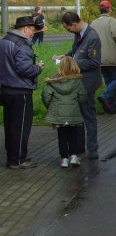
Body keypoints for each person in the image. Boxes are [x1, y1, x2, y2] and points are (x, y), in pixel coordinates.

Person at [0, 16, 44, 169]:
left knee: (10, 126)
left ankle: (12, 156)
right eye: (32, 30)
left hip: (5, 89)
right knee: (21, 127)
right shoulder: (22, 45)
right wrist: (38, 68)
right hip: (21, 91)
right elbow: (25, 69)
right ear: (25, 29)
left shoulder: (4, 41)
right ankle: (18, 159)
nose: (33, 33)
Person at [58, 11, 101, 160]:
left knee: (88, 114)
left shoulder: (92, 37)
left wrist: (72, 62)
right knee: (79, 115)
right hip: (78, 80)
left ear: (74, 24)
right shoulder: (78, 35)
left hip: (88, 82)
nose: (68, 31)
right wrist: (66, 56)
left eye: (68, 28)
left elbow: (94, 62)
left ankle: (92, 149)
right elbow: (76, 51)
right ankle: (79, 147)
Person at [42, 56, 85, 168]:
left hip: (58, 114)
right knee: (73, 134)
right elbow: (82, 97)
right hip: (73, 112)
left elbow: (45, 96)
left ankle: (64, 159)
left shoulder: (54, 81)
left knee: (62, 136)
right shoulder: (78, 81)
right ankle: (74, 156)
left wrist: (50, 106)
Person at [91, 0, 116, 114]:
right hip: (112, 56)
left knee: (109, 81)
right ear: (109, 9)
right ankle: (105, 96)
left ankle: (111, 107)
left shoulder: (93, 23)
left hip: (98, 57)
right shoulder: (112, 21)